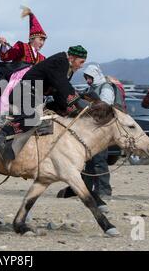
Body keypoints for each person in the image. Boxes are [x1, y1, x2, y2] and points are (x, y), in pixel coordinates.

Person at [0, 45, 89, 165]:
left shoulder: (67, 68)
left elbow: (58, 91)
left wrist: (71, 110)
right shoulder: (60, 61)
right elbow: (62, 85)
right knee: (33, 118)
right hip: (24, 92)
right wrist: (78, 102)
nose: (81, 65)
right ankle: (2, 135)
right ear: (72, 58)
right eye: (81, 61)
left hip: (34, 95)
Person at [56, 65, 118, 199]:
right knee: (89, 162)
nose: (88, 81)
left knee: (99, 161)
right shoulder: (90, 89)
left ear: (95, 75)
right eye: (86, 78)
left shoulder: (105, 87)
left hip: (102, 130)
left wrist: (90, 104)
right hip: (91, 130)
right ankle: (87, 190)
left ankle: (104, 191)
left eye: (89, 78)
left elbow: (106, 106)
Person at [0, 7, 47, 117]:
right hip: (16, 82)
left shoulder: (42, 58)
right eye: (40, 39)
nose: (42, 43)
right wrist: (4, 45)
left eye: (44, 40)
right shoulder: (22, 47)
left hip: (33, 85)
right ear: (32, 39)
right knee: (6, 100)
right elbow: (6, 57)